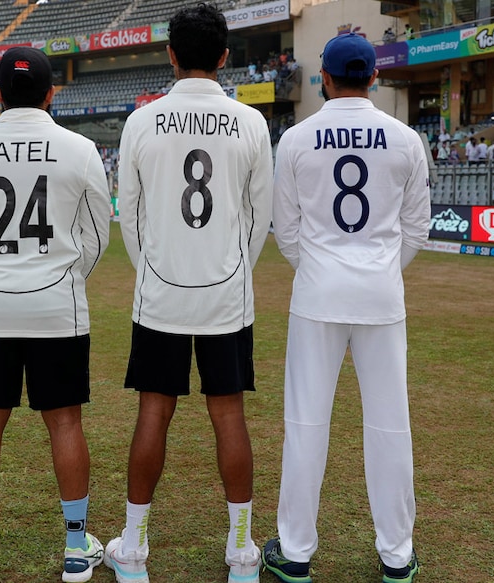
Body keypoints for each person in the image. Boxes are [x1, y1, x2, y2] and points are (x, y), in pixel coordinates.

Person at [108, 4, 274, 583]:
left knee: (153, 411)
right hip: (227, 294)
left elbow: (128, 217)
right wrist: (232, 271)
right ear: (225, 56)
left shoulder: (140, 122)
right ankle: (241, 552)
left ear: (171, 55)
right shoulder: (251, 123)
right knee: (228, 414)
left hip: (161, 293)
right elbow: (258, 220)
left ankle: (133, 549)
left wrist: (155, 270)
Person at [0, 46, 112, 583]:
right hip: (57, 306)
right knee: (65, 420)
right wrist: (59, 276)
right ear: (50, 93)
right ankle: (75, 544)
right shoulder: (81, 150)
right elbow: (96, 237)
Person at [266, 32, 428, 583]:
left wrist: (320, 269)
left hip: (317, 293)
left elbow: (285, 231)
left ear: (325, 80)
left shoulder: (296, 139)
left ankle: (296, 552)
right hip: (381, 295)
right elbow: (415, 231)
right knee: (390, 425)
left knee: (306, 423)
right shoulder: (406, 138)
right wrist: (378, 270)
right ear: (374, 78)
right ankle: (397, 555)